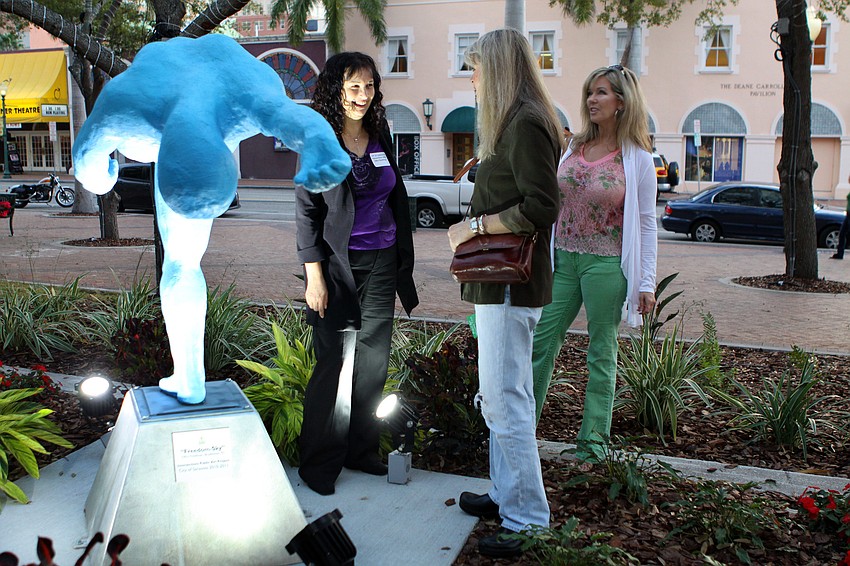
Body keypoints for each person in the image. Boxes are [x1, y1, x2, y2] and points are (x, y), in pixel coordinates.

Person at [71, 34, 350, 405]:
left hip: (223, 72)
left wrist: (322, 146)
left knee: (183, 265)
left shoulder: (250, 93)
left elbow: (297, 119)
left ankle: (188, 378)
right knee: (182, 264)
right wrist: (100, 175)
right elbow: (86, 156)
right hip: (161, 83)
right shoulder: (125, 104)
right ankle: (188, 377)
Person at [446, 29, 563, 559]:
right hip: (501, 282)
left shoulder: (525, 123)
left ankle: (527, 518)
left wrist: (476, 227)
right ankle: (504, 494)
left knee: (506, 398)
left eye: (474, 68)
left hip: (512, 282)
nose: (470, 78)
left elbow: (543, 204)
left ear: (496, 69)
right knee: (500, 395)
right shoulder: (513, 120)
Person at [295, 52, 419, 496]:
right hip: (338, 267)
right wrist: (315, 277)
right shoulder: (320, 142)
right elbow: (307, 213)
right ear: (336, 90)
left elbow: (391, 196)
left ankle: (360, 450)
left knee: (372, 362)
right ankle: (319, 463)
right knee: (335, 363)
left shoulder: (379, 133)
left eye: (369, 87)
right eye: (354, 87)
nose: (363, 96)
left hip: (382, 261)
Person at [531, 65, 658, 460]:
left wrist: (647, 282)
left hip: (606, 266)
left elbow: (648, 223)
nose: (591, 100)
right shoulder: (573, 147)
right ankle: (519, 435)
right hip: (563, 261)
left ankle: (593, 445)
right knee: (540, 343)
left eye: (601, 92)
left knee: (601, 352)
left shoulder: (636, 159)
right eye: (589, 92)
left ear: (622, 101)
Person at [830, 176, 849, 259]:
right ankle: (840, 254)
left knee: (843, 234)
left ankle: (840, 253)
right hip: (848, 214)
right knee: (842, 234)